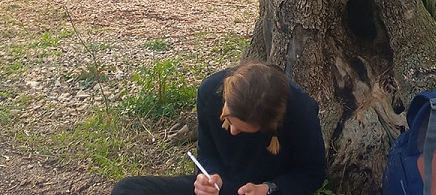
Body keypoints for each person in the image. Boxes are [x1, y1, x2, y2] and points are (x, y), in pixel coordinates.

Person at [112, 62, 327, 195]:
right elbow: (206, 153)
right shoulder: (210, 92)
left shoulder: (299, 110)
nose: (232, 132)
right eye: (228, 120)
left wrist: (270, 188)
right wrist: (209, 178)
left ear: (269, 125)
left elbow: (312, 173)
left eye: (242, 129)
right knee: (128, 189)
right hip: (221, 189)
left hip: (261, 190)